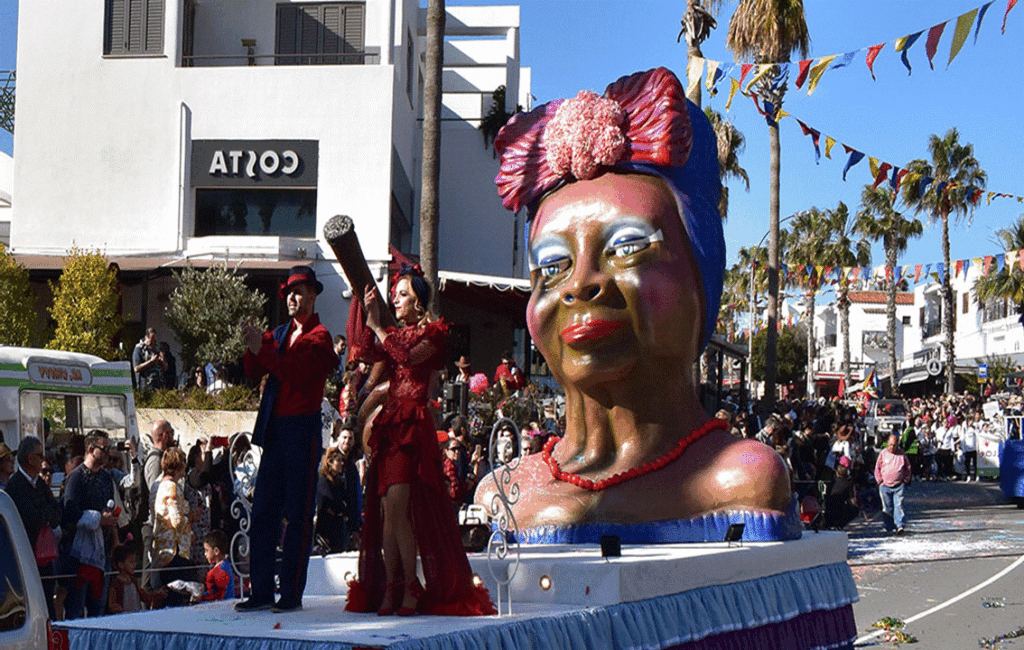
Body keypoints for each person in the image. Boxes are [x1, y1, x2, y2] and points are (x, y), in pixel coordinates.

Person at [479, 67, 795, 543]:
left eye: (626, 247)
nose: (581, 284)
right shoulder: (500, 495)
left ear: (698, 278)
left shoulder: (742, 483)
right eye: (552, 264)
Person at [345, 266, 495, 616]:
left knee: (398, 505)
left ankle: (411, 585)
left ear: (419, 301)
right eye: (394, 294)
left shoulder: (434, 332)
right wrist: (369, 317)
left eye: (402, 294)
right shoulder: (395, 333)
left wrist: (379, 327)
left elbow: (405, 357)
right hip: (390, 425)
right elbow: (367, 353)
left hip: (412, 423)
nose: (395, 299)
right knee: (385, 511)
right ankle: (394, 586)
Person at [235, 265, 337, 613]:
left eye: (299, 291)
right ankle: (262, 590)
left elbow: (292, 369)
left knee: (297, 513)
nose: (293, 297)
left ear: (312, 295)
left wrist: (259, 349)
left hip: (302, 429)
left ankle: (291, 594)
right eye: (289, 292)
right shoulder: (280, 333)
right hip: (278, 431)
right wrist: (252, 347)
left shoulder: (320, 337)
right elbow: (255, 370)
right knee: (263, 511)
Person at [61, 430, 120, 618]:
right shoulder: (76, 477)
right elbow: (69, 513)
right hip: (80, 556)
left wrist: (113, 535)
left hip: (102, 552)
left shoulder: (105, 477)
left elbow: (109, 509)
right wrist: (97, 519)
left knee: (99, 609)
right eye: (104, 449)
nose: (108, 453)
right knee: (76, 609)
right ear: (91, 449)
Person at [5, 436, 62, 618]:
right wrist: (45, 515)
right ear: (30, 459)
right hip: (26, 556)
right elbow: (32, 518)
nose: (43, 460)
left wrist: (46, 516)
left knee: (48, 603)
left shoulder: (40, 485)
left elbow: (55, 514)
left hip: (45, 557)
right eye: (39, 455)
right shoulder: (15, 486)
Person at [152, 447, 192, 607]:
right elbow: (177, 520)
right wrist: (190, 522)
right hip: (172, 552)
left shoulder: (161, 484)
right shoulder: (171, 487)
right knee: (174, 598)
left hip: (164, 549)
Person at [315, 443, 362, 554]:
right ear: (330, 462)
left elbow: (347, 501)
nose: (341, 464)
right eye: (338, 461)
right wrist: (339, 508)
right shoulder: (323, 481)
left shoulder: (340, 482)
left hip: (339, 529)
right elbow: (333, 504)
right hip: (326, 530)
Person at [107, 544, 164, 613]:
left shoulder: (134, 581)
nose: (134, 564)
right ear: (121, 565)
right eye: (131, 562)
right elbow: (112, 604)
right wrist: (121, 611)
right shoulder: (116, 584)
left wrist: (157, 594)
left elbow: (144, 596)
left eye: (134, 561)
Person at [874, 434, 912, 536]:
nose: (892, 447)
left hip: (899, 485)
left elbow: (908, 467)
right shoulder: (883, 454)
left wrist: (906, 479)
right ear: (887, 444)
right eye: (890, 445)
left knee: (898, 506)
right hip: (885, 485)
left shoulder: (901, 454)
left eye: (894, 445)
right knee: (887, 508)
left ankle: (900, 526)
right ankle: (889, 527)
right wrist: (879, 481)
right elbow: (877, 468)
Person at [823, 457, 860, 530]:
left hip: (828, 508)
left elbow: (826, 495)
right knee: (855, 509)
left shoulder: (831, 483)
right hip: (840, 509)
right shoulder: (848, 483)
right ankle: (840, 524)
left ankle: (831, 524)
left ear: (837, 473)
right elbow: (852, 500)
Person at [198, 530, 235, 602]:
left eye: (206, 550)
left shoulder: (221, 570)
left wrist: (201, 597)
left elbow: (218, 595)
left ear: (216, 551)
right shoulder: (226, 565)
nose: (205, 554)